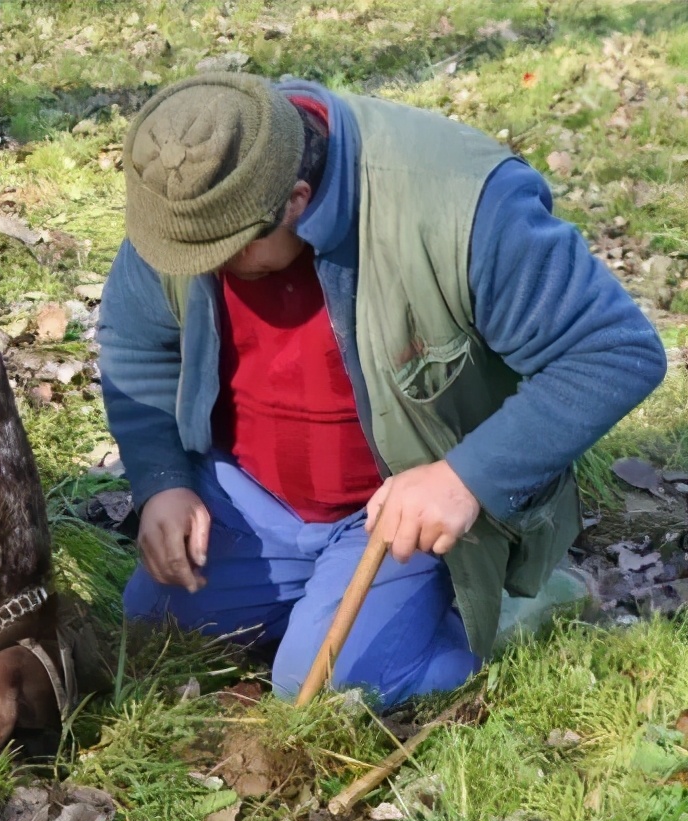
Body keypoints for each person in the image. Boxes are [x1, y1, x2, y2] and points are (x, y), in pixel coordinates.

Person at [96, 72, 667, 707]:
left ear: (296, 200)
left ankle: (503, 614)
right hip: (253, 494)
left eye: (225, 253)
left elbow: (614, 351)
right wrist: (162, 482)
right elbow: (134, 345)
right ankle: (332, 604)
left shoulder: (462, 204)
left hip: (400, 511)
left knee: (322, 688)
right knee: (154, 623)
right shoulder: (190, 199)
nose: (198, 268)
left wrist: (464, 477)